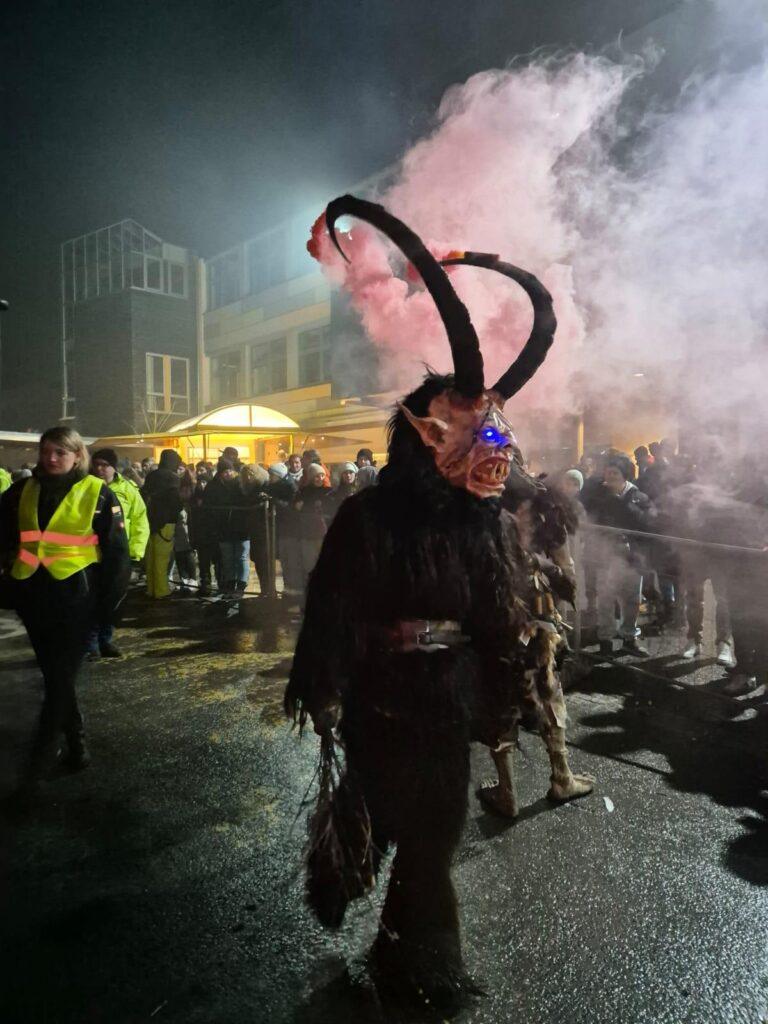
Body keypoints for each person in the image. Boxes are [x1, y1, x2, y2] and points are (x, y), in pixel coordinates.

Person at [288, 197, 592, 1012]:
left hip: (447, 703)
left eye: (498, 429)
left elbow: (497, 615)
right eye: (473, 427)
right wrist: (322, 686)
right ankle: (403, 947)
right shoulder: (371, 514)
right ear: (428, 432)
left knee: (431, 841)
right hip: (384, 702)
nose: (495, 448)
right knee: (403, 831)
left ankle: (418, 966)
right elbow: (335, 606)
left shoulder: (483, 520)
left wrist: (506, 695)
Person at [0, 427, 130, 793]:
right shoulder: (22, 491)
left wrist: (109, 612)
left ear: (77, 455)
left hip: (77, 600)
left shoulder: (98, 493)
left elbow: (117, 556)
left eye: (60, 452)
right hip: (33, 598)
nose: (51, 458)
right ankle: (76, 743)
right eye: (46, 451)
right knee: (55, 676)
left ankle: (39, 758)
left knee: (59, 680)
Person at [592, 455, 656, 657]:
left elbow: (647, 523)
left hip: (632, 556)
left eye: (614, 473)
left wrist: (623, 505)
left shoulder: (638, 497)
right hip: (605, 554)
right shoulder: (598, 496)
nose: (609, 477)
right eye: (608, 472)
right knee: (605, 598)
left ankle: (629, 636)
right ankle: (605, 639)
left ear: (624, 475)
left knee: (632, 599)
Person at [88, 448, 150, 656]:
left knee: (114, 600)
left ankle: (106, 639)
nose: (99, 469)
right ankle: (91, 644)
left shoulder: (128, 489)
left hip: (119, 554)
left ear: (114, 468)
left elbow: (140, 520)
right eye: (96, 464)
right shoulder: (85, 488)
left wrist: (135, 553)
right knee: (92, 600)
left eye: (105, 465)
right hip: (91, 555)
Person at [141, 449, 183, 598]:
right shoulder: (173, 478)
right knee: (162, 557)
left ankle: (151, 588)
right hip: (166, 521)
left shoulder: (152, 475)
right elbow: (176, 501)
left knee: (151, 557)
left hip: (149, 520)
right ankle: (161, 590)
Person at [294, 463, 336, 595]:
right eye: (317, 476)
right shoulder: (304, 492)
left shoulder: (329, 491)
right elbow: (297, 507)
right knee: (309, 564)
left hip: (323, 533)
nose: (320, 478)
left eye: (322, 475)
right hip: (307, 532)